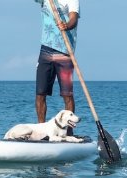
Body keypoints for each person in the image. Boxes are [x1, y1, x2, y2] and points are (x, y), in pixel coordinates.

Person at [33, 0, 80, 135]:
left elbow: (73, 18)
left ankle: (69, 133)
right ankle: (41, 131)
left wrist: (67, 25)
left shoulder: (73, 1)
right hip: (46, 50)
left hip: (65, 52)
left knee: (67, 95)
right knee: (40, 93)